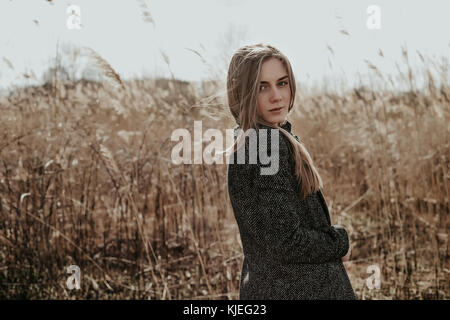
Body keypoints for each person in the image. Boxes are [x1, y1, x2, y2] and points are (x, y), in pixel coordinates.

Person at [226, 44, 356, 300]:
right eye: (262, 87)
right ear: (242, 93)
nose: (277, 96)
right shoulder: (267, 145)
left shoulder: (256, 139)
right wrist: (339, 241)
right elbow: (286, 241)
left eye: (282, 83)